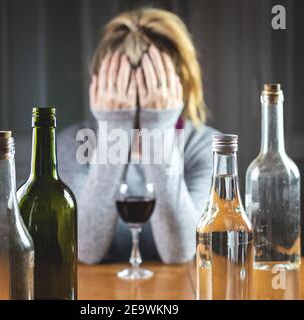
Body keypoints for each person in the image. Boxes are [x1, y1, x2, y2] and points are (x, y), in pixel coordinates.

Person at [58, 8, 219, 264]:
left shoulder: (206, 146)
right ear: (100, 86)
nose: (135, 103)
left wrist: (157, 126)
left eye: (151, 88)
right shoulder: (74, 143)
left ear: (178, 88)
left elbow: (181, 252)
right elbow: (86, 250)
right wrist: (114, 127)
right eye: (122, 88)